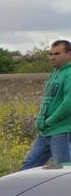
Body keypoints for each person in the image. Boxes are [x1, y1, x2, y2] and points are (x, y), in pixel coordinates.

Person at [20, 39, 71, 170]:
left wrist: (49, 121)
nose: (53, 57)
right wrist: (40, 121)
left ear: (69, 54)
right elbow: (49, 101)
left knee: (63, 171)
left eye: (57, 54)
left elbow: (68, 103)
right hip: (46, 132)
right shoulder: (56, 73)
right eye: (51, 54)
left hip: (62, 131)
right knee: (28, 167)